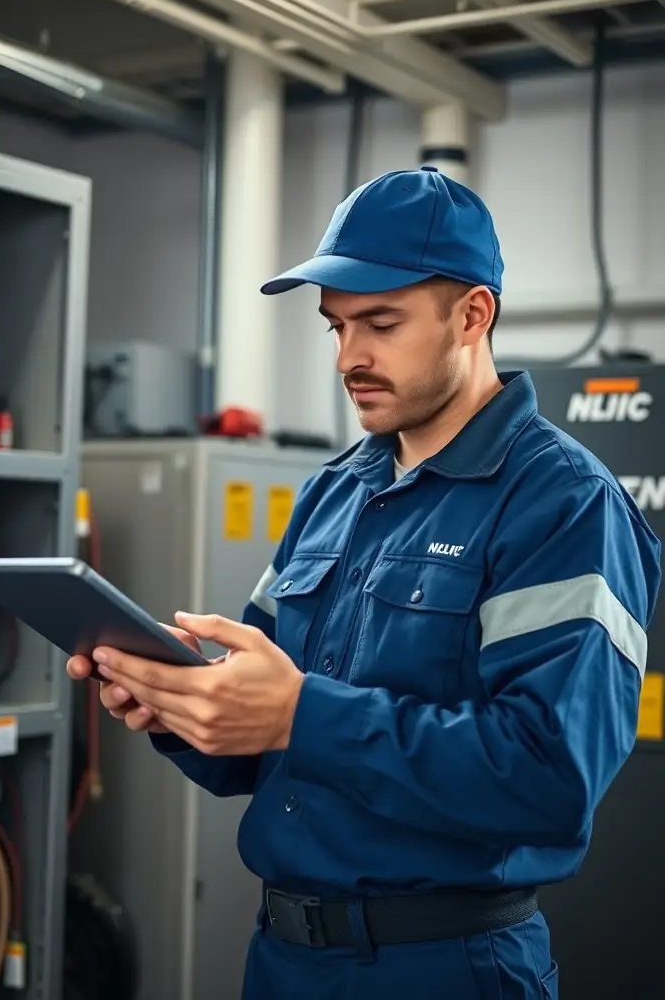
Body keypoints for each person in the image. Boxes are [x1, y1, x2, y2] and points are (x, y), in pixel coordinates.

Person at [67, 167, 662, 999]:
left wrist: (300, 714)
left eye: (381, 323)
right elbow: (259, 750)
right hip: (282, 959)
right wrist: (180, 708)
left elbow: (550, 782)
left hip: (445, 968)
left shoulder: (564, 504)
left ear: (473, 315)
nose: (350, 357)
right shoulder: (333, 490)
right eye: (336, 327)